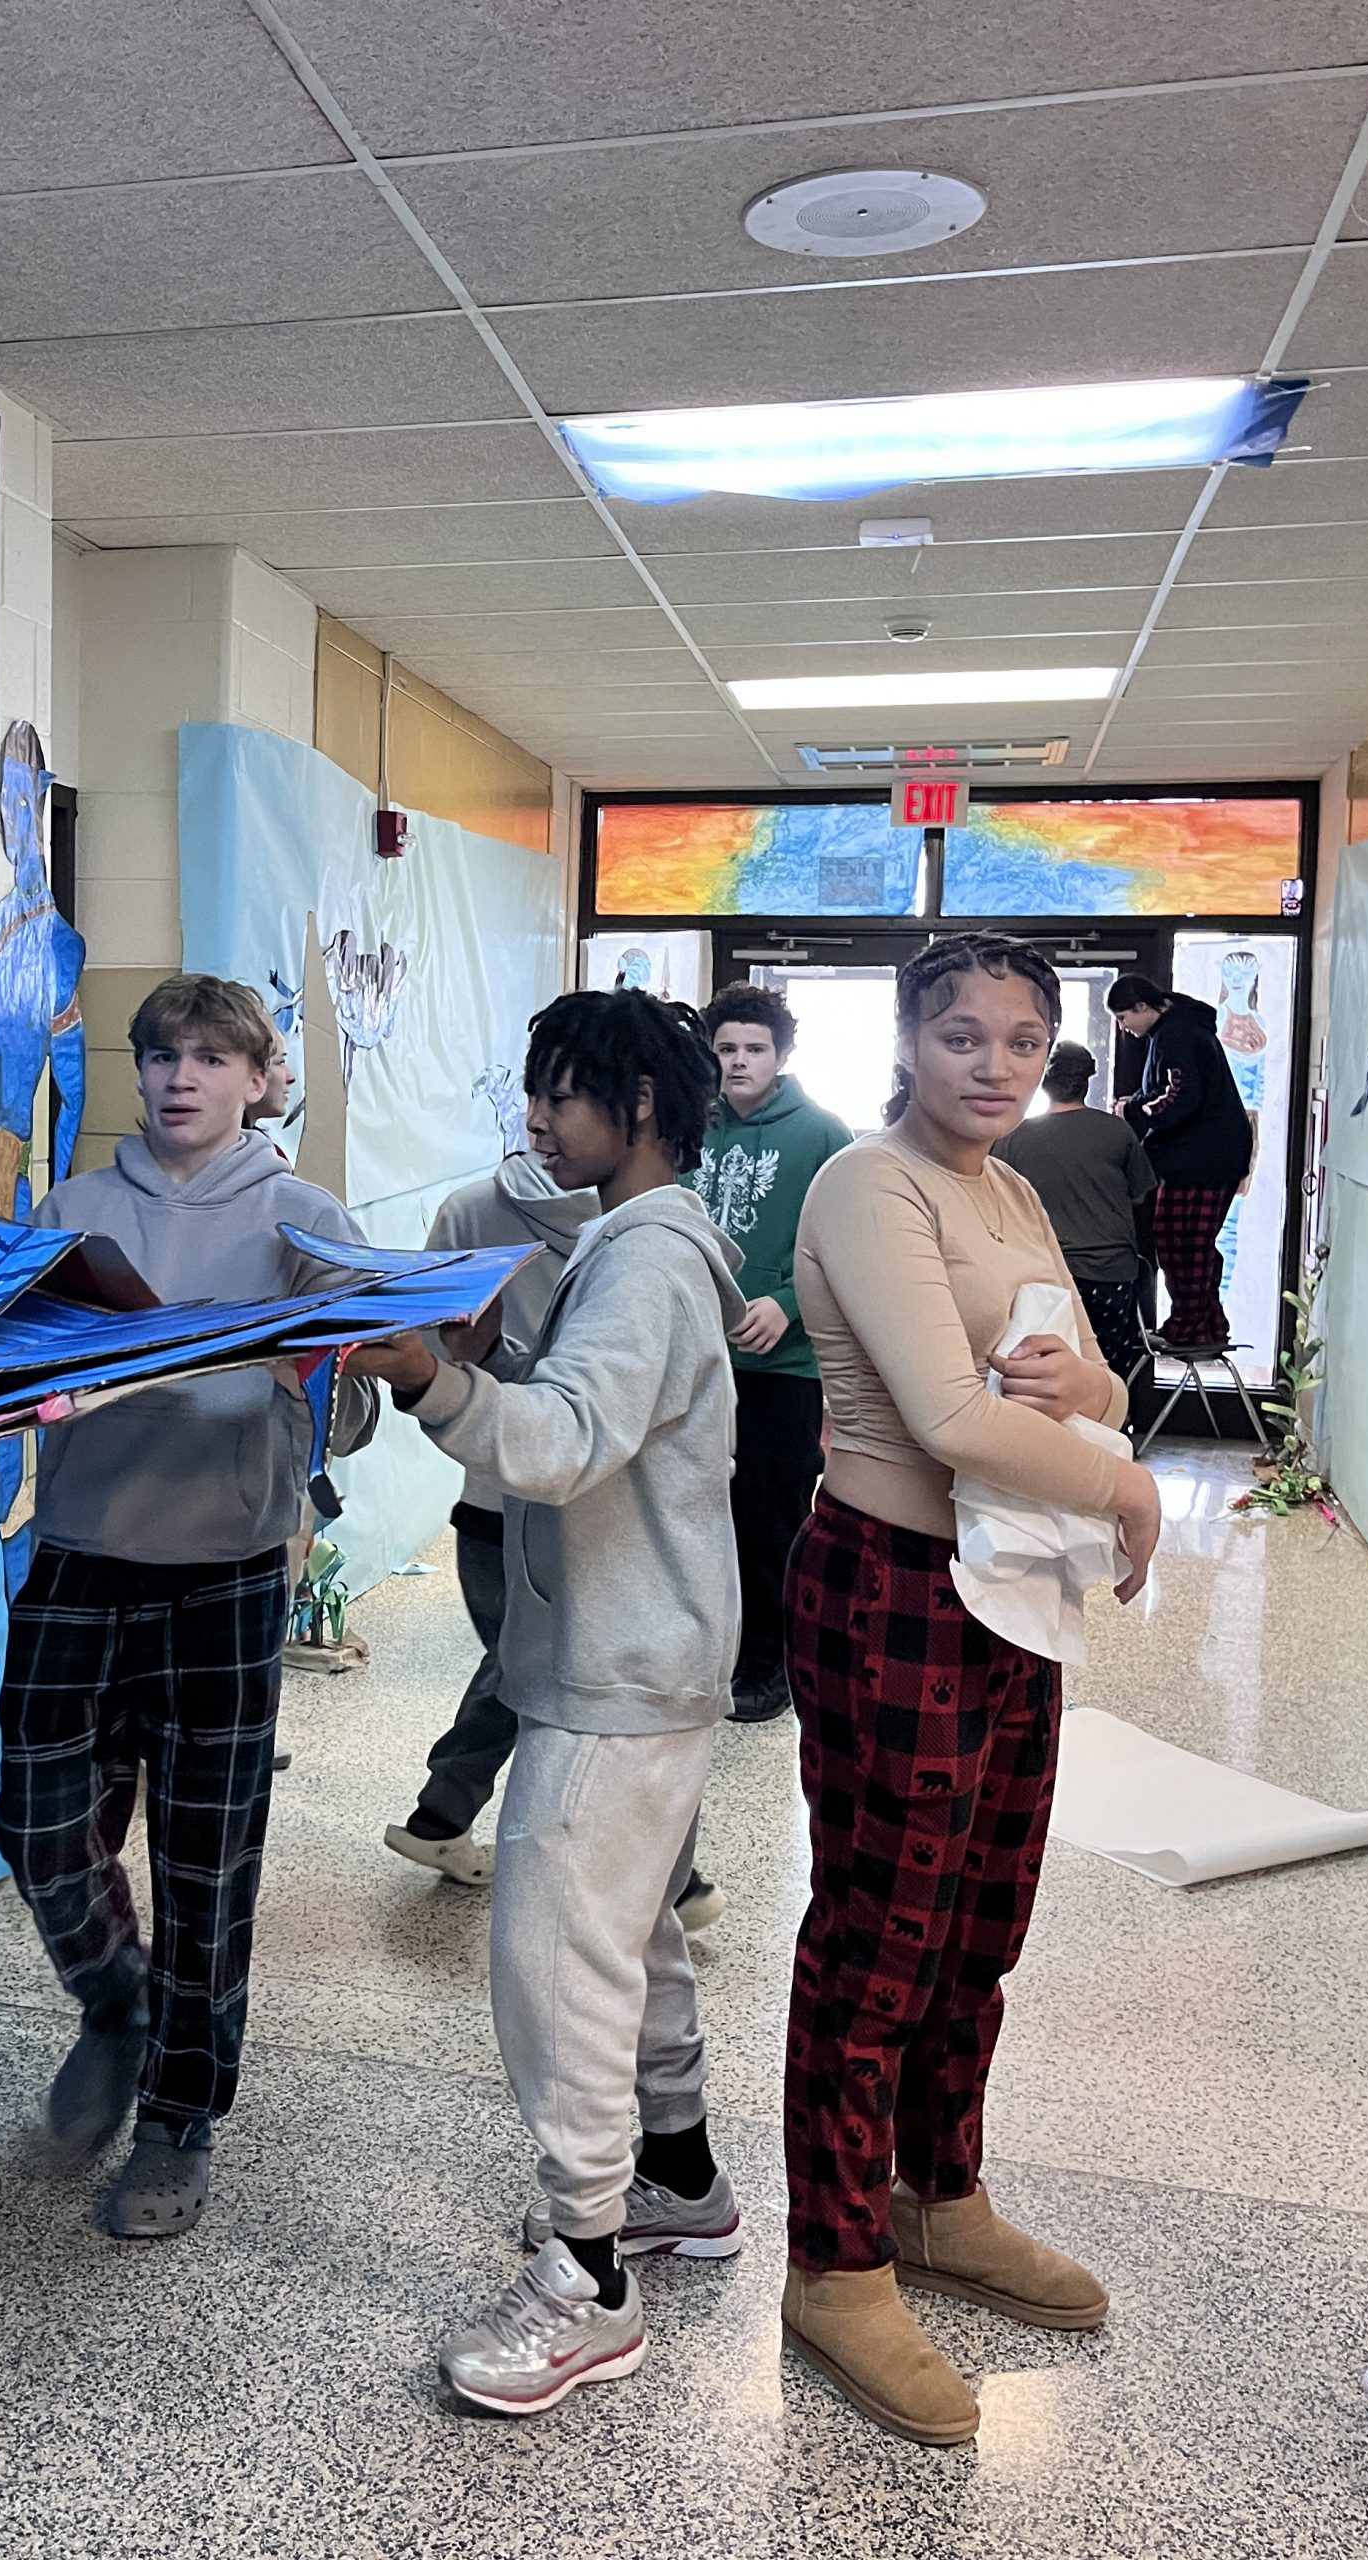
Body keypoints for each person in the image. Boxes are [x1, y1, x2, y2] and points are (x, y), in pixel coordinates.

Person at [781, 934, 1162, 2447]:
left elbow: (1089, 1372)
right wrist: (1125, 1486)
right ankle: (838, 2259)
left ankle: (941, 2199)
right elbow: (945, 1413)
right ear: (907, 1041)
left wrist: (1096, 1410)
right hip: (891, 1585)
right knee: (878, 1934)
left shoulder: (1007, 1189)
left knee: (982, 1919)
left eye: (1020, 1038)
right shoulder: (871, 1186)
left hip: (1011, 1594)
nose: (993, 1064)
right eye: (960, 1035)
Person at [351, 990, 748, 2417]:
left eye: (559, 1095)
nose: (533, 1119)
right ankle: (680, 2178)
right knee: (632, 1937)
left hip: (620, 1668)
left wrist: (425, 1380)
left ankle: (588, 2277)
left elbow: (567, 1443)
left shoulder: (640, 1261)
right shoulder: (633, 1246)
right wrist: (461, 1352)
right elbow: (591, 1410)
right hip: (641, 1651)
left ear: (636, 1107)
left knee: (558, 1960)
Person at [0, 974, 377, 2239]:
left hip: (225, 1563)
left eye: (212, 1058)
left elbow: (364, 1392)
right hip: (82, 1550)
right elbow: (10, 1370)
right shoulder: (72, 1210)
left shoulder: (303, 1215)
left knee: (206, 1861)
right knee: (39, 1826)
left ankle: (177, 2118)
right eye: (161, 1054)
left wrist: (314, 1366)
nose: (180, 1077)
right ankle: (117, 2002)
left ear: (259, 1079)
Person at [382, 1152, 598, 1887]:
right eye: (542, 1092)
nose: (544, 1118)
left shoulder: (466, 1208)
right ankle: (671, 1875)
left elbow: (430, 1348)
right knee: (544, 1672)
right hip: (550, 1504)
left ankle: (442, 1814)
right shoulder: (639, 1225)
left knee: (527, 1665)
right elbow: (436, 1349)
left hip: (496, 1499)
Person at [686, 983, 853, 1723]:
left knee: (769, 1523)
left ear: (782, 1055)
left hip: (782, 1369)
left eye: (755, 1049)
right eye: (726, 1049)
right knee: (698, 1516)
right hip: (695, 1361)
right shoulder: (691, 1126)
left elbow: (842, 1250)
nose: (739, 1062)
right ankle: (713, 1652)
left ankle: (771, 1665)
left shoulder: (824, 1135)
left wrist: (784, 1305)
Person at [995, 1040, 1157, 1394]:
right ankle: (1111, 1432)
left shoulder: (1013, 1138)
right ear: (1087, 1081)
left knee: (1043, 1368)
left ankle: (1059, 1440)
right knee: (1108, 1369)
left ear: (1043, 1081)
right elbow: (1142, 1192)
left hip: (1042, 1275)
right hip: (1110, 1270)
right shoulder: (1117, 1132)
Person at [1106, 973, 1253, 1351]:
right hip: (1206, 1155)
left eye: (1124, 1018)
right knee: (1187, 1240)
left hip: (1201, 1158)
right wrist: (1134, 1103)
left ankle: (1189, 1329)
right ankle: (1207, 1325)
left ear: (1142, 1006)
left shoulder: (1177, 1035)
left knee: (1183, 1241)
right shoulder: (1180, 1030)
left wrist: (1134, 1109)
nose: (1124, 1029)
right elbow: (1168, 1089)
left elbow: (1180, 1096)